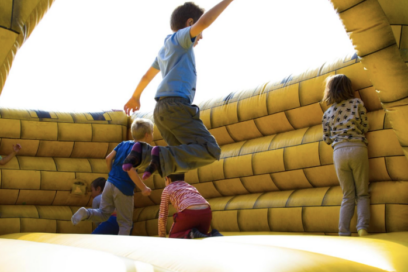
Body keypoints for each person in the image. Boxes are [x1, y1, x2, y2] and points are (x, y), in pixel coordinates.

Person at [123, 1, 235, 180]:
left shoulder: (164, 50)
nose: (201, 37)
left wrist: (135, 97)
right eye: (200, 32)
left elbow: (147, 76)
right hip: (177, 106)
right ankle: (159, 157)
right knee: (210, 149)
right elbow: (205, 21)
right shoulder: (181, 39)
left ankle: (145, 154)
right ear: (190, 23)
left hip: (161, 111)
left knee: (178, 160)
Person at [71, 118, 154, 235]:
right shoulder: (139, 150)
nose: (152, 136)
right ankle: (121, 248)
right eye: (152, 133)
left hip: (110, 183)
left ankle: (86, 213)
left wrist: (112, 175)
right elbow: (130, 169)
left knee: (103, 213)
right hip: (123, 187)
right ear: (146, 135)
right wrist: (143, 188)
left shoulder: (123, 144)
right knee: (125, 223)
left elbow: (108, 158)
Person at [322, 74, 370, 237]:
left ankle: (343, 232)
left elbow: (327, 138)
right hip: (357, 147)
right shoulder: (357, 103)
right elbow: (365, 125)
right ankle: (362, 227)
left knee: (348, 194)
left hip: (339, 152)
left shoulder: (327, 113)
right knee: (362, 192)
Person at [158, 173, 222, 238]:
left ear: (167, 179)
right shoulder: (190, 187)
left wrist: (161, 237)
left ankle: (191, 234)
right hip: (206, 212)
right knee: (201, 234)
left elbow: (162, 215)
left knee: (173, 237)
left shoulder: (167, 188)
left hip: (188, 213)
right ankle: (212, 234)